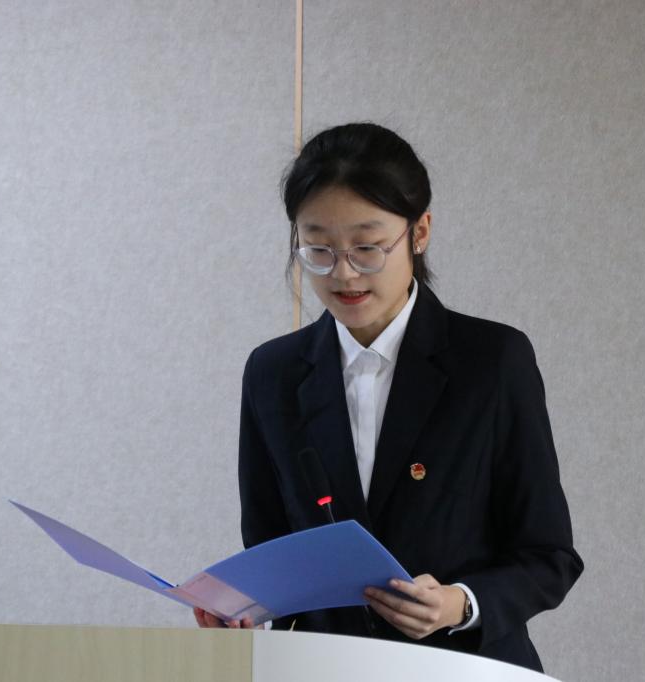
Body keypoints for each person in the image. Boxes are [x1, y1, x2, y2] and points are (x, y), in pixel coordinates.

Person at [194, 122, 583, 672]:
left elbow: (549, 556)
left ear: (419, 232)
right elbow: (271, 550)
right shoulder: (272, 372)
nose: (344, 273)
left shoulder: (493, 361)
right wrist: (242, 607)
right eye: (318, 250)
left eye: (367, 247)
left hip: (462, 667)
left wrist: (458, 604)